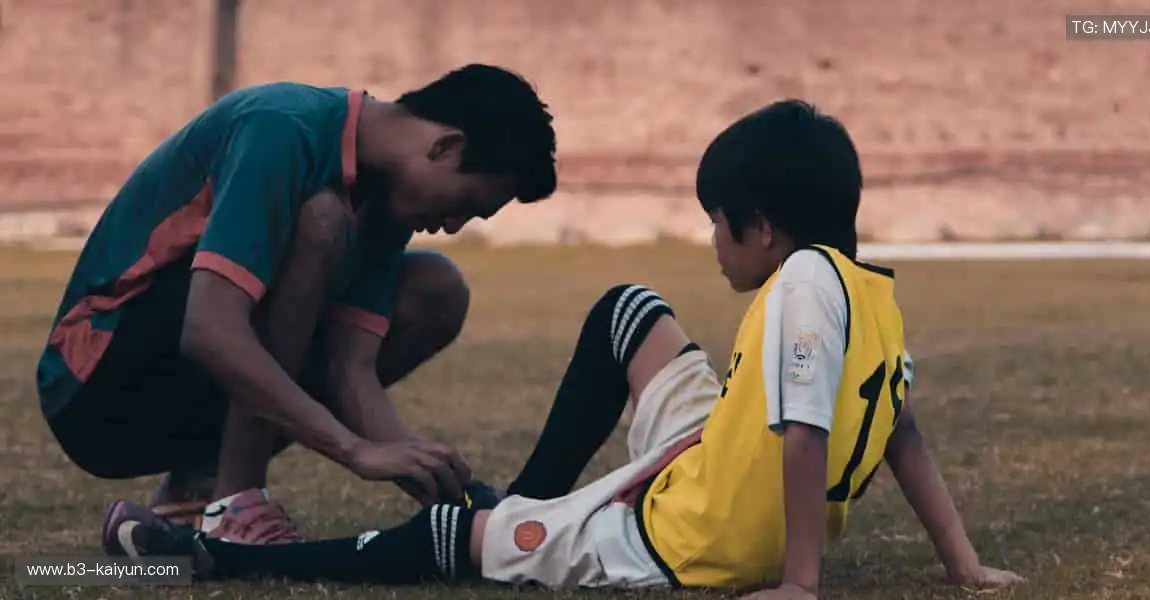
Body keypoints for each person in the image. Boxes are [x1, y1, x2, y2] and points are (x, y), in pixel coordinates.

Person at [101, 100, 1024, 597]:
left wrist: (800, 586)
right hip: (709, 458)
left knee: (457, 539)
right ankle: (534, 504)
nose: (712, 241)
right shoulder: (869, 291)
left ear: (762, 227)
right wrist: (962, 563)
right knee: (629, 311)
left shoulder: (801, 286)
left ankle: (216, 559)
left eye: (717, 222)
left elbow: (806, 436)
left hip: (686, 538)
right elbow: (901, 431)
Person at [38, 64, 557, 545]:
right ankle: (235, 501)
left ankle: (195, 492)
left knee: (435, 288)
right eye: (465, 205)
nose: (453, 226)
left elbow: (349, 371)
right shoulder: (281, 127)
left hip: (181, 393)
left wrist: (446, 491)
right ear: (445, 147)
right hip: (96, 384)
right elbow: (208, 330)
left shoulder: (385, 198)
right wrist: (353, 449)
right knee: (321, 219)